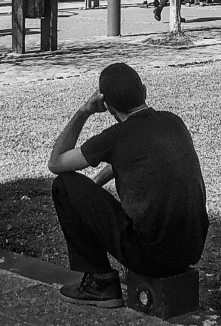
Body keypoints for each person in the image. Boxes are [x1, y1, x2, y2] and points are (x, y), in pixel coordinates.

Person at [48, 63, 209, 307]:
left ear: (108, 107)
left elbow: (56, 162)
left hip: (151, 256)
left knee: (64, 185)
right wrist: (95, 185)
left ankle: (100, 282)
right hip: (191, 248)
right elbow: (133, 158)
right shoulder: (173, 122)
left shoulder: (114, 138)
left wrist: (84, 111)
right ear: (144, 91)